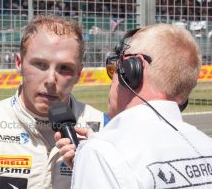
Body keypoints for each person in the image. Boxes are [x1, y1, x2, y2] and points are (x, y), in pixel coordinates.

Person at [0, 15, 105, 188]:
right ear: (19, 63)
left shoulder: (105, 130)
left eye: (65, 68)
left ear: (79, 74)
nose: (50, 79)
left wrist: (91, 174)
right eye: (40, 64)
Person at [71, 24, 212, 188]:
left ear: (132, 69)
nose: (114, 76)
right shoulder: (206, 145)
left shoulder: (101, 153)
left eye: (116, 66)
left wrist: (95, 159)